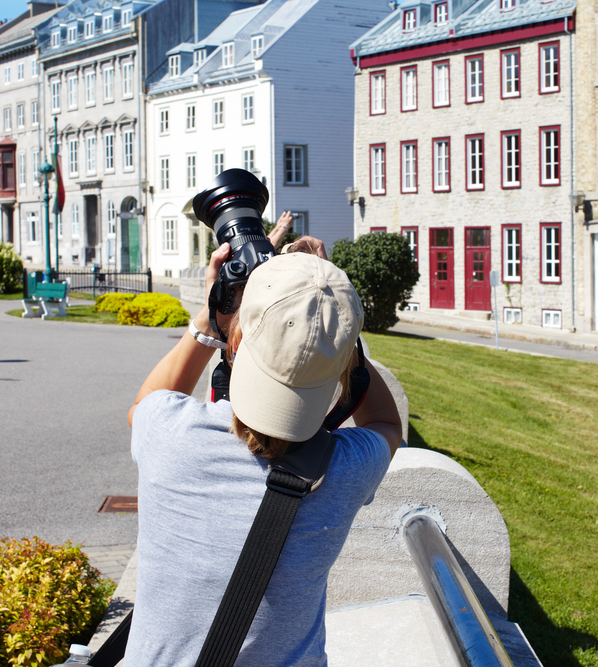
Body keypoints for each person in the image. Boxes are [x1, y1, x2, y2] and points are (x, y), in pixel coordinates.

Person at [125, 243, 403, 666]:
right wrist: (333, 323)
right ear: (345, 364)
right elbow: (386, 423)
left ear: (235, 336)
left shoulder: (169, 432)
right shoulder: (346, 468)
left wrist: (212, 316)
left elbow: (144, 403)